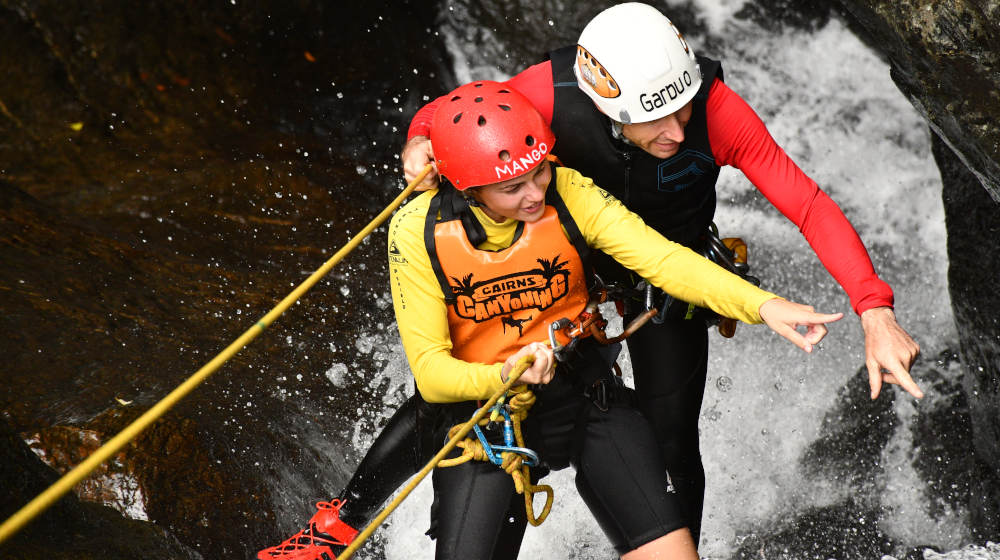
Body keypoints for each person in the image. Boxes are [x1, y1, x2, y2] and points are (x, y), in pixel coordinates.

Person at [397, 2, 923, 544]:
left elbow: (806, 204)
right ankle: (365, 513)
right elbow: (457, 113)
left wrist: (874, 308)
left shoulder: (716, 111)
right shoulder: (548, 95)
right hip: (564, 272)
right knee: (484, 401)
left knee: (671, 441)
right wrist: (420, 141)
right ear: (606, 106)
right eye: (655, 117)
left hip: (669, 277)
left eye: (683, 110)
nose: (675, 131)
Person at [258, 81, 842, 560]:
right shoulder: (416, 230)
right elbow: (433, 377)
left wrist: (762, 305)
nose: (536, 194)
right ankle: (337, 525)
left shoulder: (569, 192)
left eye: (539, 174)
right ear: (468, 184)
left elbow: (662, 260)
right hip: (484, 426)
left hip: (588, 399)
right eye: (513, 187)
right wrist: (505, 373)